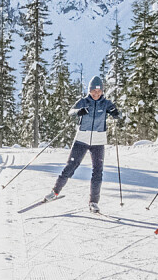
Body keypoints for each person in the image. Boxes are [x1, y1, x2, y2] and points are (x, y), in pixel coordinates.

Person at [44, 75, 121, 212]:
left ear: (102, 91)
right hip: (82, 139)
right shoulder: (84, 101)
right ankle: (55, 192)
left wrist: (115, 113)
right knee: (70, 166)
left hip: (98, 141)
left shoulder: (106, 103)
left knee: (98, 171)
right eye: (94, 91)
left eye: (99, 91)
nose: (96, 94)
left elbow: (118, 114)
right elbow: (70, 112)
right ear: (89, 91)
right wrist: (79, 111)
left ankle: (93, 202)